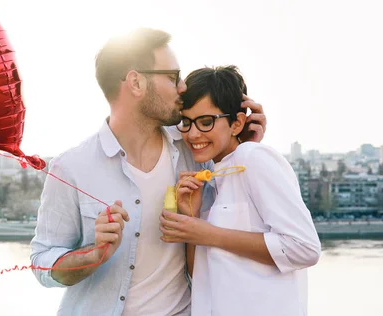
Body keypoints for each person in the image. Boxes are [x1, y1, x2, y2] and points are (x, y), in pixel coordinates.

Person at [30, 28, 267, 316]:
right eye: (172, 77)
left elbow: (240, 220)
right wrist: (94, 254)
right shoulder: (71, 168)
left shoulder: (195, 152)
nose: (183, 88)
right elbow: (42, 261)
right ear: (136, 82)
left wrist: (239, 147)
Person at [160, 65, 321, 316]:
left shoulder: (253, 157)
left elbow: (304, 248)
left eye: (205, 122)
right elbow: (199, 276)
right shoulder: (213, 179)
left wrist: (208, 234)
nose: (192, 134)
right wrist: (191, 221)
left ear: (237, 123)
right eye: (186, 122)